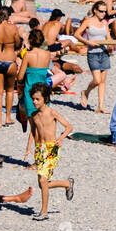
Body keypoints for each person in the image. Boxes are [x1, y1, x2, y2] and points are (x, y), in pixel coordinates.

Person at [27, 84, 74, 220]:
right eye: (33, 99)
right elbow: (33, 132)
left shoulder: (52, 112)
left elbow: (68, 126)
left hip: (51, 149)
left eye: (37, 99)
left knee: (43, 180)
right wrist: (28, 148)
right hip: (40, 150)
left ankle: (44, 212)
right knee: (43, 184)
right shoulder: (34, 115)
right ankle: (67, 184)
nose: (34, 102)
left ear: (45, 99)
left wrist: (60, 138)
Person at [75, 1, 115, 112]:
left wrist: (111, 45)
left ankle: (100, 106)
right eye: (101, 11)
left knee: (102, 81)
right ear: (95, 10)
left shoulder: (105, 23)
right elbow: (76, 34)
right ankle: (86, 92)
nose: (103, 14)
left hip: (104, 53)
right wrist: (87, 42)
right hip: (93, 53)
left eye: (105, 11)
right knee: (97, 80)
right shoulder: (88, 21)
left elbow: (108, 38)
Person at [0, 8, 22, 128]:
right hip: (9, 60)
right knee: (10, 90)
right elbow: (18, 44)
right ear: (9, 16)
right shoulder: (13, 28)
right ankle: (7, 117)